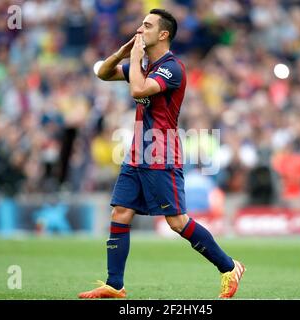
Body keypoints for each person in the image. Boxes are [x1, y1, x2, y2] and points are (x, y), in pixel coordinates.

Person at [78, 9, 245, 299]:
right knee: (121, 212)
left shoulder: (172, 68)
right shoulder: (142, 64)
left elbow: (138, 90)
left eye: (147, 25)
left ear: (163, 34)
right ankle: (114, 285)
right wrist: (123, 51)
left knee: (176, 221)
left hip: (160, 150)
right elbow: (103, 73)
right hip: (137, 150)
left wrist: (134, 59)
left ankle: (229, 267)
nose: (140, 29)